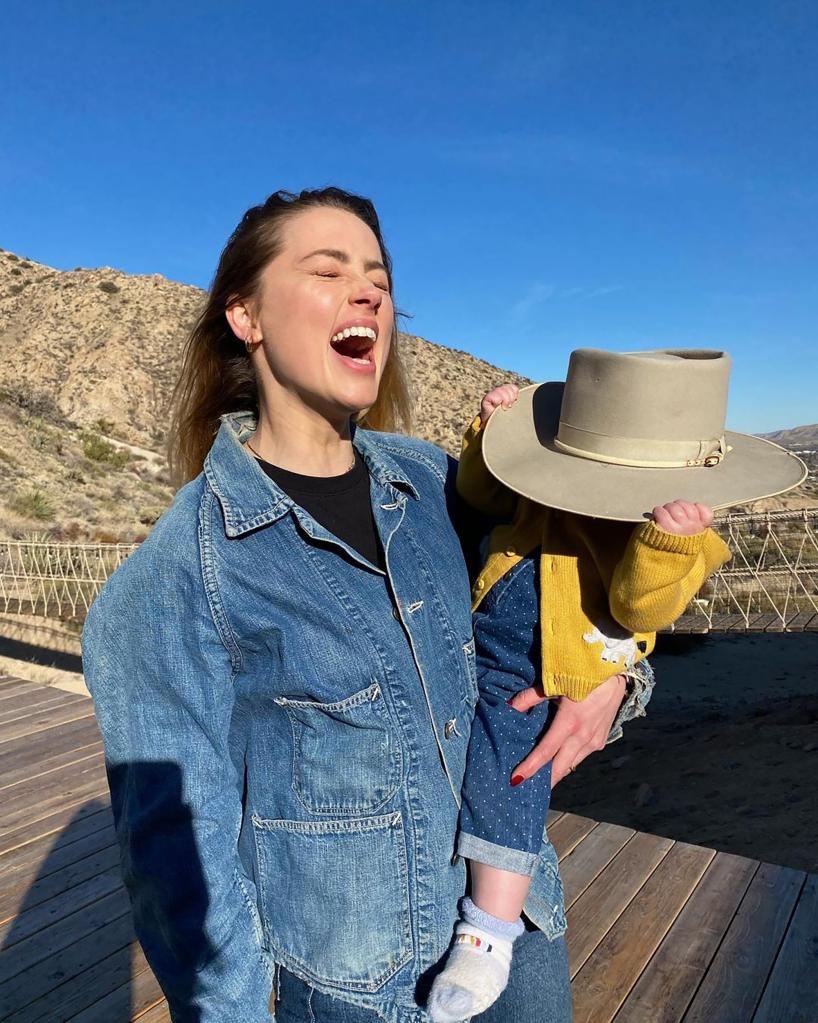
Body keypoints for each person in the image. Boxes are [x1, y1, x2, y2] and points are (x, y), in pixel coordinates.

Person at [81, 187, 655, 1023]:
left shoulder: (435, 482)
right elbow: (180, 869)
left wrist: (613, 684)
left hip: (520, 938)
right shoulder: (177, 575)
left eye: (380, 277)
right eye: (329, 269)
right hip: (360, 998)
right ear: (246, 315)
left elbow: (566, 598)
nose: (371, 293)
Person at [428, 351, 743, 1021]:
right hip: (488, 643)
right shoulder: (541, 483)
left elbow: (640, 609)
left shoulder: (649, 525)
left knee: (510, 769)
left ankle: (490, 925)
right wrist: (487, 440)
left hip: (539, 671)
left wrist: (668, 546)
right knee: (504, 765)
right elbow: (479, 495)